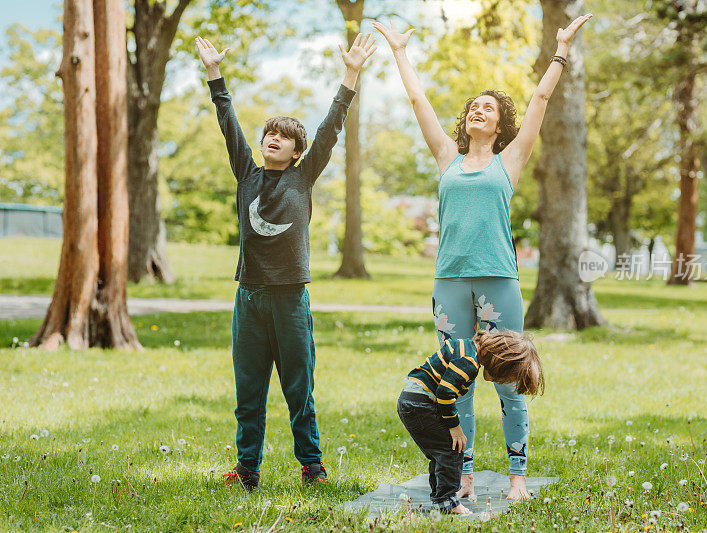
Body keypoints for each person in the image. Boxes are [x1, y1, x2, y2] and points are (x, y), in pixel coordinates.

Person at [373, 13, 592, 500]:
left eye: (488, 107)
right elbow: (417, 100)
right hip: (449, 280)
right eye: (473, 106)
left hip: (498, 280)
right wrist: (399, 52)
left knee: (510, 383)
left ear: (500, 123)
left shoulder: (509, 161)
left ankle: (517, 476)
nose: (478, 110)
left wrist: (559, 50)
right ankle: (464, 474)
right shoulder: (445, 157)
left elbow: (540, 99)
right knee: (462, 382)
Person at [194, 33, 376, 490]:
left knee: (299, 389)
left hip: (291, 300)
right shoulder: (246, 174)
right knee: (249, 393)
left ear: (296, 151)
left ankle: (312, 467)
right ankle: (247, 469)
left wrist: (350, 75)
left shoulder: (304, 176)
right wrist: (215, 73)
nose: (273, 139)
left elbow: (332, 126)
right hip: (249, 299)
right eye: (269, 135)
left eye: (284, 137)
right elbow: (228, 121)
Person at [397, 330, 544, 515]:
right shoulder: (469, 362)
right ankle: (447, 502)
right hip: (420, 403)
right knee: (452, 450)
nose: (500, 380)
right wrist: (455, 427)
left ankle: (440, 498)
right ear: (498, 360)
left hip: (414, 401)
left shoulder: (466, 347)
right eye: (503, 375)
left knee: (442, 453)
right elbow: (444, 393)